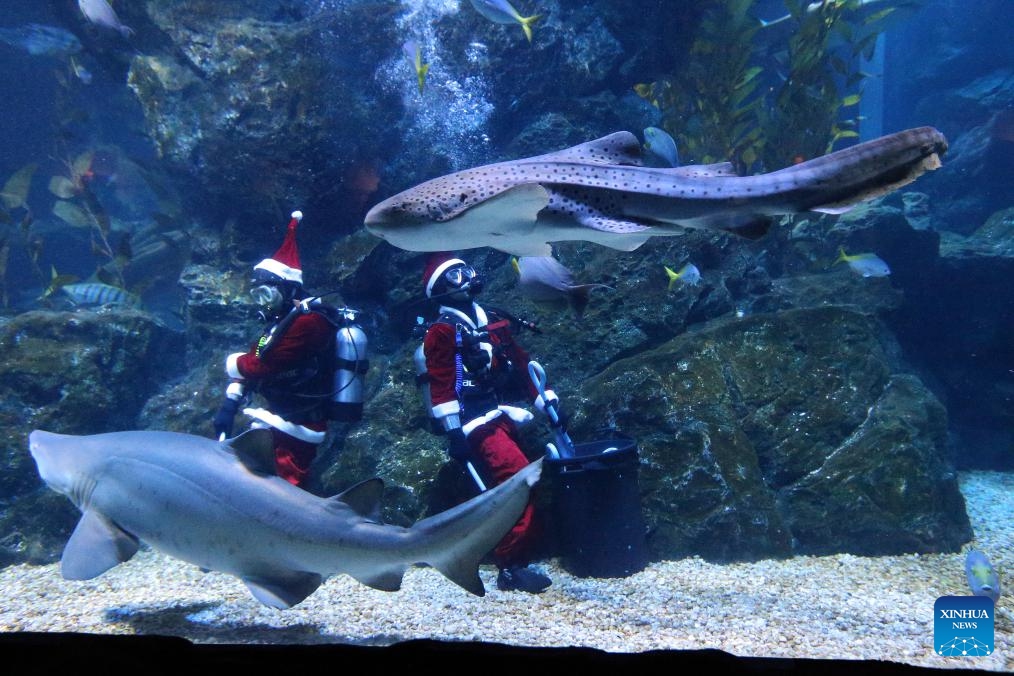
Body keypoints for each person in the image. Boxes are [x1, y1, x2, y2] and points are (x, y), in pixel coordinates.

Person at [420, 252, 556, 593]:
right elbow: (441, 384)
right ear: (439, 288)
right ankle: (509, 564)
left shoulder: (490, 317)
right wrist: (454, 432)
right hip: (474, 422)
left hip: (498, 412)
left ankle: (520, 553)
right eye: (455, 276)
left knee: (520, 480)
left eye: (466, 270)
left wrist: (545, 399)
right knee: (518, 480)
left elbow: (521, 362)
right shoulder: (441, 331)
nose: (466, 278)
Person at [213, 211, 345, 488]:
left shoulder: (309, 321)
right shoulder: (281, 322)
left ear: (288, 288)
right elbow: (258, 355)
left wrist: (235, 365)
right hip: (280, 417)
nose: (262, 303)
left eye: (266, 293)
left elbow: (265, 365)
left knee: (281, 490)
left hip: (300, 424)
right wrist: (231, 401)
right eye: (256, 295)